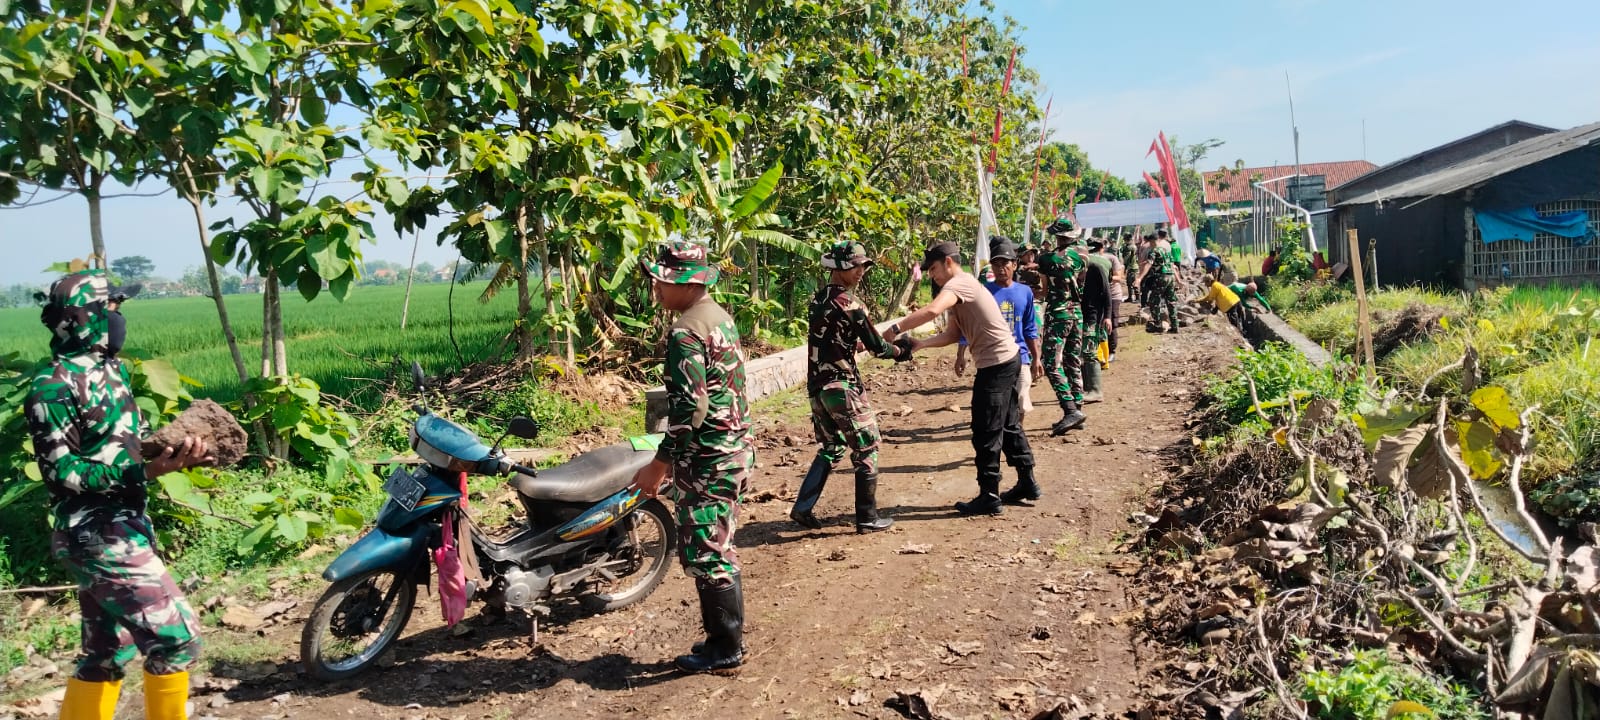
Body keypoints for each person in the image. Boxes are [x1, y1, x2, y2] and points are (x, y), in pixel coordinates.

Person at [26, 269, 211, 720]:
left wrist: (176, 452)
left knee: (107, 650)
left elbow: (127, 444)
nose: (119, 318)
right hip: (96, 534)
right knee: (177, 640)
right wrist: (143, 470)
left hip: (126, 525)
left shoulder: (111, 371)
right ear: (85, 317)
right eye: (112, 308)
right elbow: (62, 472)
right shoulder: (53, 386)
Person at [630, 240, 754, 675]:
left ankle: (725, 649)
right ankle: (725, 638)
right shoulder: (718, 317)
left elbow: (690, 407)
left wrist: (659, 463)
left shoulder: (686, 331)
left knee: (709, 550)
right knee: (719, 542)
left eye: (663, 281)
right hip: (733, 449)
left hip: (709, 459)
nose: (657, 288)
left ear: (687, 284)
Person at [882, 242, 1038, 514]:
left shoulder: (959, 284)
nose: (932, 275)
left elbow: (932, 311)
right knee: (1008, 424)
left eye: (933, 268)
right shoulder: (962, 288)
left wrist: (895, 328)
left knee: (986, 429)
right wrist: (922, 344)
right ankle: (1027, 482)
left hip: (997, 365)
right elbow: (954, 333)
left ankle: (989, 495)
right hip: (1006, 360)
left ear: (948, 262)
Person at [790, 241, 910, 534]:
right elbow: (878, 346)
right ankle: (867, 517)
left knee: (832, 446)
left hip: (818, 388)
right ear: (840, 267)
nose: (861, 271)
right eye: (856, 266)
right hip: (842, 386)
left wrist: (861, 346)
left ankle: (803, 508)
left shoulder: (818, 300)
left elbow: (835, 342)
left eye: (864, 266)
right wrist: (900, 351)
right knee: (868, 447)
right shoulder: (850, 304)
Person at [954, 239, 1043, 418]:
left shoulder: (1025, 292)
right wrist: (960, 355)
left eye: (1005, 263)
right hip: (993, 358)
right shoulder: (983, 293)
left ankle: (1017, 430)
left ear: (1015, 265)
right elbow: (970, 327)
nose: (1001, 268)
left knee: (1021, 399)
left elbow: (1029, 328)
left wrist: (1036, 358)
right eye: (996, 264)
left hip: (1020, 355)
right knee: (997, 404)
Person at [1037, 221, 1088, 434]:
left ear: (1057, 236)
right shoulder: (1082, 255)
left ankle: (1070, 410)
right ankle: (1078, 409)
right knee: (1072, 360)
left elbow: (1044, 290)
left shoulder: (1047, 259)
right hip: (1077, 312)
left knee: (1050, 362)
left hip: (1058, 313)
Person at [1077, 238, 1112, 403]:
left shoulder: (1095, 268)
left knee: (1090, 352)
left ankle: (1096, 390)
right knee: (1081, 353)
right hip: (1078, 315)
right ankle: (1086, 388)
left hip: (1093, 315)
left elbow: (1107, 294)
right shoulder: (1073, 268)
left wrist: (1108, 317)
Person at [1134, 233, 1180, 334]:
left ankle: (1158, 325)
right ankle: (1175, 326)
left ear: (1152, 241)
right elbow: (1172, 266)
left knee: (1153, 301)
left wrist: (1139, 278)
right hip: (1170, 277)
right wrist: (1178, 280)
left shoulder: (1154, 251)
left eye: (1150, 242)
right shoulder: (1166, 251)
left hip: (1161, 278)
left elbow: (1149, 265)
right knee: (1171, 302)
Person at [1098, 237, 1127, 363]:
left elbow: (1119, 277)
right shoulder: (1089, 259)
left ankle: (1112, 351)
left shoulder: (1111, 258)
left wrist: (1103, 276)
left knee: (1112, 322)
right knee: (1098, 322)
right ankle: (1099, 351)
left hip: (1113, 294)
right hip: (1098, 295)